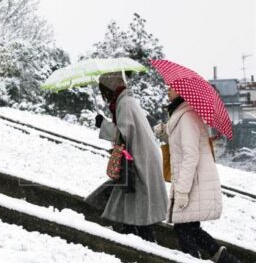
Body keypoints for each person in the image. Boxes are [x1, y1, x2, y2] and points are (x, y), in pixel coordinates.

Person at [154, 88, 240, 262]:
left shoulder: (186, 117)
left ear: (181, 92)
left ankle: (195, 259)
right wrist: (165, 132)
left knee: (183, 228)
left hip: (192, 182)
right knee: (190, 227)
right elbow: (182, 142)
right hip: (192, 180)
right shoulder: (182, 113)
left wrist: (182, 191)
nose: (167, 90)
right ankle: (224, 258)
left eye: (171, 88)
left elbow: (190, 155)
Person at [85, 72, 168, 242]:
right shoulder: (125, 100)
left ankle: (143, 246)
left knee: (136, 208)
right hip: (141, 159)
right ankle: (137, 242)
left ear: (110, 88)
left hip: (139, 162)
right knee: (134, 207)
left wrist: (103, 124)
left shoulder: (124, 103)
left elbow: (124, 133)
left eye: (104, 91)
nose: (103, 96)